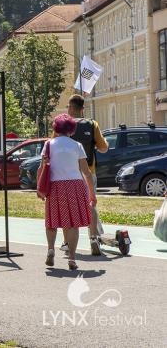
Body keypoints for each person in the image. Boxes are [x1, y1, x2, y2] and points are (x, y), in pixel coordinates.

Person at [38, 114, 96, 271]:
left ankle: (51, 249)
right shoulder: (76, 146)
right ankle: (71, 258)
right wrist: (92, 193)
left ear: (56, 128)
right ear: (71, 129)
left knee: (52, 221)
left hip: (54, 186)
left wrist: (39, 189)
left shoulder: (49, 144)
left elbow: (42, 167)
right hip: (74, 186)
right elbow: (86, 172)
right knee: (72, 224)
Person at [67, 94, 109, 256]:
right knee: (91, 203)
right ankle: (94, 238)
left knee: (70, 208)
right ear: (82, 109)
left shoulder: (63, 125)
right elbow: (104, 147)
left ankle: (67, 243)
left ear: (70, 107)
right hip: (88, 172)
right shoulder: (92, 124)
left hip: (68, 174)